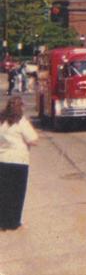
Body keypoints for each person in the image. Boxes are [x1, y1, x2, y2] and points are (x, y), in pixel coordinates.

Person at [0, 96, 38, 230]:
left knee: (4, 192)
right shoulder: (21, 122)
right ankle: (14, 222)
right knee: (17, 193)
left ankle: (3, 221)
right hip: (19, 161)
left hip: (3, 160)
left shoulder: (1, 121)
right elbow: (33, 139)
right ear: (20, 107)